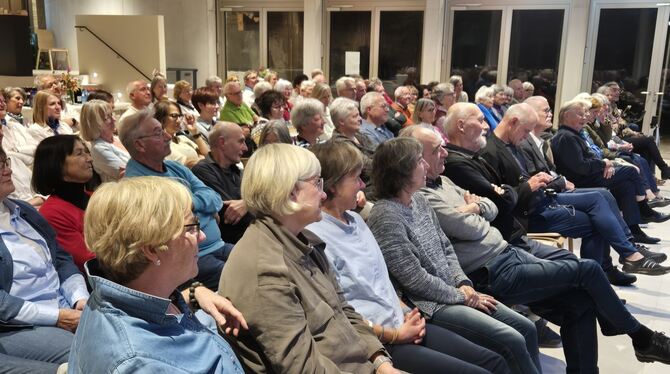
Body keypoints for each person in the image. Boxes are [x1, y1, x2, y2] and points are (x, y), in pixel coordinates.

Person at [406, 125, 670, 373]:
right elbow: (472, 226)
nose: (445, 153)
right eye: (437, 149)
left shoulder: (443, 181)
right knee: (587, 269)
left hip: (506, 252)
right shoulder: (424, 195)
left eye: (443, 146)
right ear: (416, 160)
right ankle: (641, 337)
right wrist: (478, 208)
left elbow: (492, 205)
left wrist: (476, 206)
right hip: (489, 272)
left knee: (580, 303)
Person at [307, 140, 510, 374]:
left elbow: (384, 281)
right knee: (492, 359)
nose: (363, 185)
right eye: (355, 178)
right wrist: (395, 333)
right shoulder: (318, 237)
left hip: (404, 320)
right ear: (332, 185)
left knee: (494, 360)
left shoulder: (355, 221)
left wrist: (408, 313)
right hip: (380, 341)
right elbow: (344, 309)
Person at [220, 144, 400, 374]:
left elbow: (344, 310)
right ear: (289, 191)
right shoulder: (265, 270)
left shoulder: (305, 240)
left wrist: (381, 363)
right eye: (317, 183)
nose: (324, 194)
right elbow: (304, 368)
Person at [366, 137, 541, 374]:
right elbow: (414, 280)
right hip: (430, 304)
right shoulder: (386, 216)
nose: (426, 166)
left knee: (526, 328)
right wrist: (460, 295)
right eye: (419, 161)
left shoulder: (418, 199)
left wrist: (462, 283)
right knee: (512, 339)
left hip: (455, 291)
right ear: (402, 170)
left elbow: (445, 247)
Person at [68, 176, 246, 373]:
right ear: (152, 249)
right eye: (191, 227)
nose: (202, 236)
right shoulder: (140, 364)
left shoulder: (116, 293)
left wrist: (195, 294)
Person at [0, 146, 89, 373]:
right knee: (94, 352)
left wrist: (79, 298)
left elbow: (60, 258)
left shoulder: (23, 211)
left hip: (67, 308)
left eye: (5, 161)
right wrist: (58, 317)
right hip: (20, 325)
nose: (6, 169)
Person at [119, 108, 229, 290]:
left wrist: (191, 204)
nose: (168, 137)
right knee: (250, 278)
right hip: (192, 260)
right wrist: (206, 210)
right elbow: (172, 223)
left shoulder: (173, 167)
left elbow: (214, 198)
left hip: (218, 245)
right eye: (158, 133)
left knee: (262, 260)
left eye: (163, 130)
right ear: (139, 145)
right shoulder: (137, 184)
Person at [32, 135, 95, 271]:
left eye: (86, 152)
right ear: (57, 164)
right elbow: (90, 262)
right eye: (79, 154)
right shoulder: (52, 214)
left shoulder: (96, 197)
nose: (89, 158)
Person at [192, 122, 253, 245]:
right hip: (234, 242)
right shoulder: (202, 170)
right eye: (241, 141)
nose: (245, 148)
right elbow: (231, 213)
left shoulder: (236, 170)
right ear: (222, 142)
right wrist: (252, 203)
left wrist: (247, 203)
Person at [80, 99, 130, 182]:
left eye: (112, 114)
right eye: (107, 118)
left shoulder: (117, 138)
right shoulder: (99, 148)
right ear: (94, 124)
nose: (114, 119)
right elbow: (129, 175)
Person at [154, 100, 208, 168]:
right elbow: (189, 164)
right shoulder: (160, 144)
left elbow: (207, 154)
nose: (179, 120)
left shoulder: (183, 138)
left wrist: (195, 133)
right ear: (161, 118)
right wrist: (201, 157)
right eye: (174, 116)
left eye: (180, 116)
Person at [2, 87, 37, 166]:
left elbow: (36, 146)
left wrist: (18, 150)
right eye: (17, 98)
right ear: (6, 101)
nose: (21, 102)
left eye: (22, 99)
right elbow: (7, 153)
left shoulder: (27, 120)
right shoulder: (5, 122)